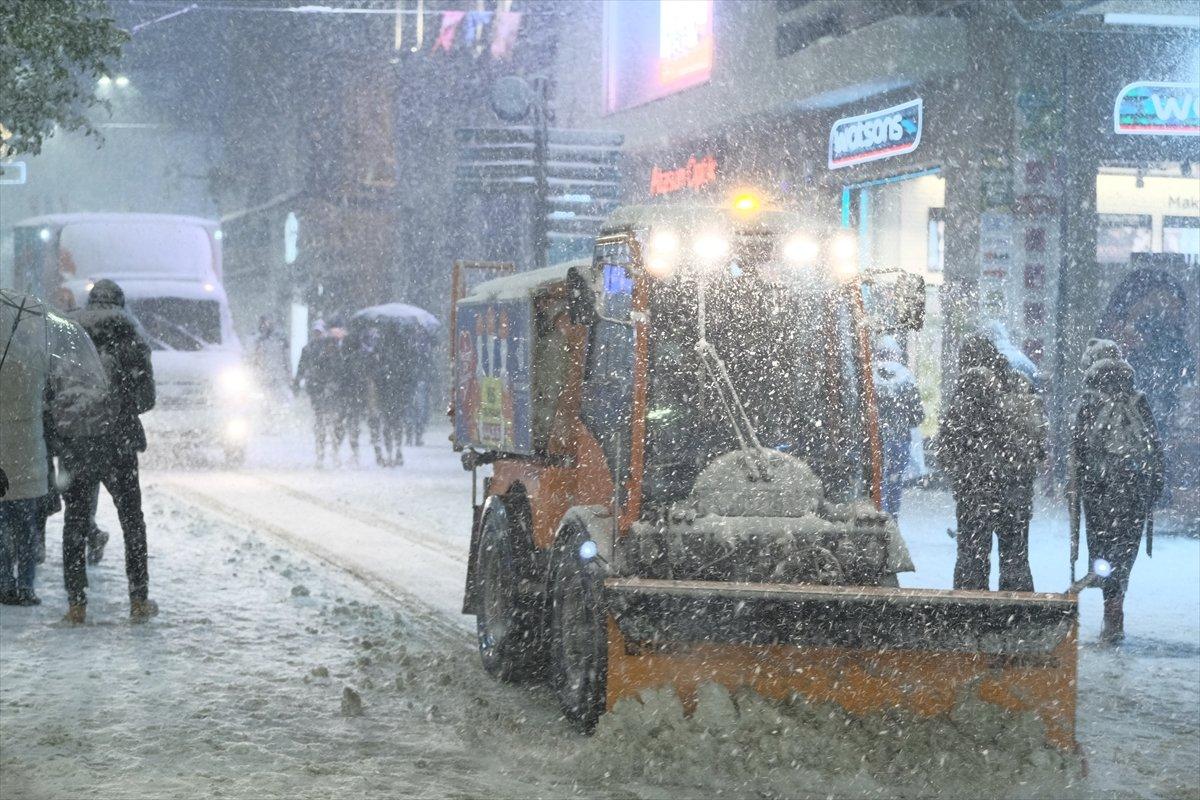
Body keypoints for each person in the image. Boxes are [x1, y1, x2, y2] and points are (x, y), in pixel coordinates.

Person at [58, 279, 158, 624]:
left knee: (75, 521)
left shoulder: (69, 335)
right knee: (132, 520)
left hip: (78, 442)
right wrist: (122, 407)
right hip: (119, 444)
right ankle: (138, 600)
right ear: (120, 303)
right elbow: (148, 398)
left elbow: (54, 390)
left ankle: (76, 604)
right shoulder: (130, 335)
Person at [1, 289, 108, 606]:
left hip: (2, 457)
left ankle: (4, 582)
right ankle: (26, 587)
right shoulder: (37, 361)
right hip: (30, 453)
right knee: (26, 527)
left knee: (2, 524)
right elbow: (49, 402)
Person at [1070, 339, 1163, 644]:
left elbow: (1078, 450)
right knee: (1125, 550)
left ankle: (1109, 607)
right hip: (1134, 490)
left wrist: (1081, 487)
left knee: (1104, 551)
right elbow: (1155, 447)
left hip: (1101, 491)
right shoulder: (1138, 400)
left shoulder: (1088, 401)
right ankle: (1116, 610)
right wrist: (1154, 488)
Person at [940, 332, 1046, 592]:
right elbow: (1039, 444)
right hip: (1016, 494)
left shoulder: (967, 391)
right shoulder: (1020, 387)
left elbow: (946, 450)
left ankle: (970, 618)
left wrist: (963, 470)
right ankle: (1019, 620)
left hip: (975, 493)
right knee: (1016, 560)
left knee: (972, 560)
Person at [873, 337, 923, 518]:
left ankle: (879, 516)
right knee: (895, 482)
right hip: (899, 441)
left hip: (874, 441)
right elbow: (917, 416)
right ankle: (892, 520)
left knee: (878, 482)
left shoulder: (869, 376)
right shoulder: (906, 377)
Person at [294, 321, 339, 467]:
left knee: (331, 422)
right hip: (316, 389)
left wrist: (333, 384)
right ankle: (321, 453)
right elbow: (302, 367)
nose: (317, 335)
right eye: (315, 332)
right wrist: (297, 381)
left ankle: (333, 451)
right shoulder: (308, 349)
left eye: (319, 332)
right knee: (320, 421)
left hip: (328, 389)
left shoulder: (331, 348)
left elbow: (337, 368)